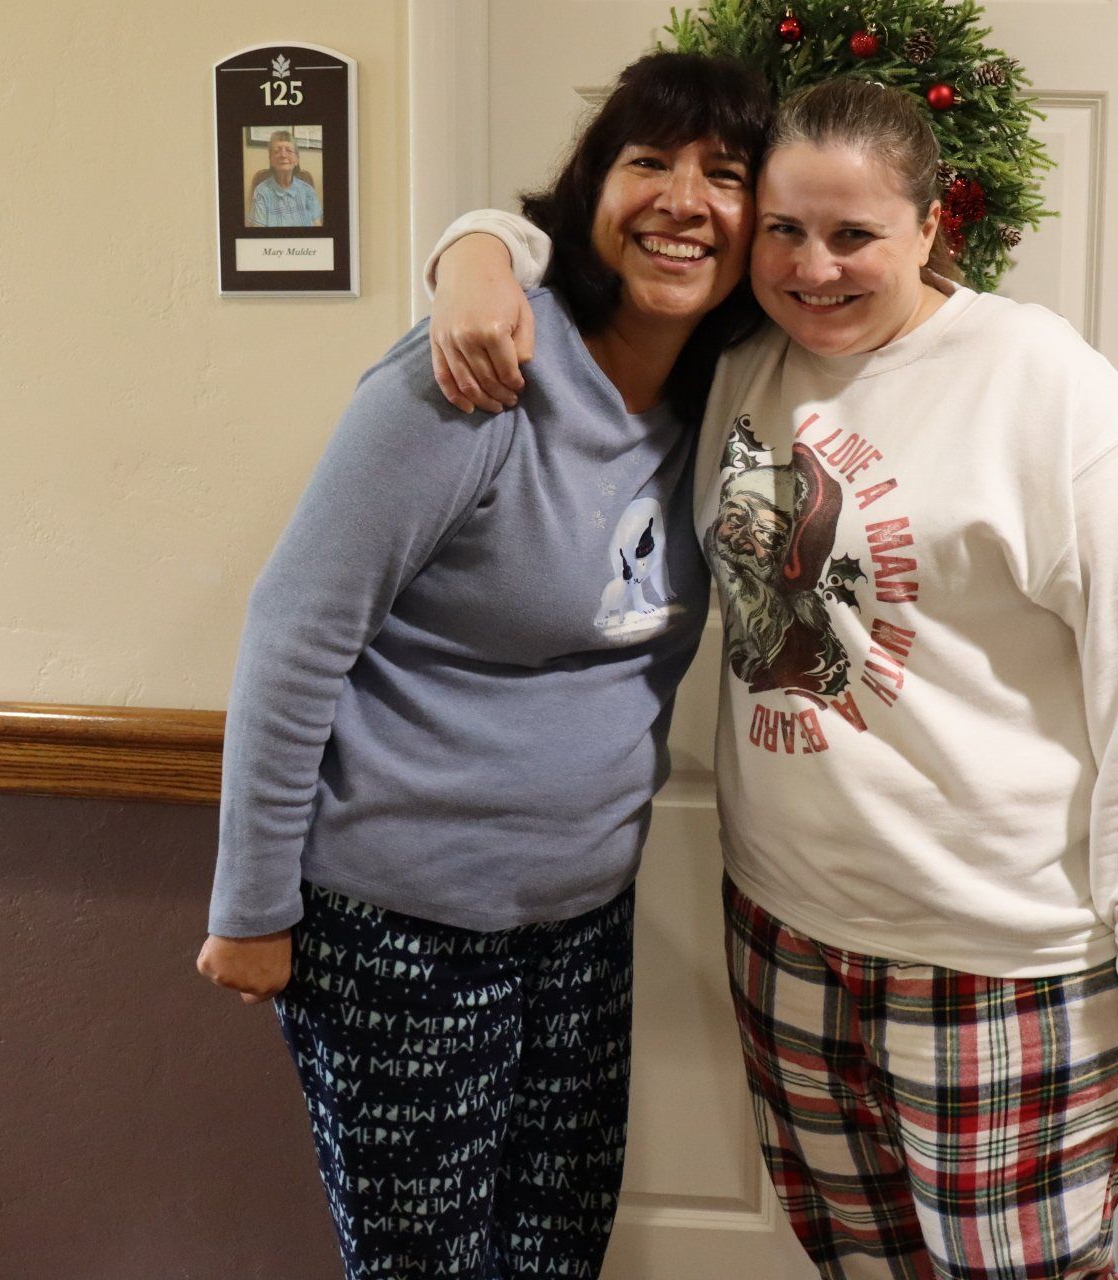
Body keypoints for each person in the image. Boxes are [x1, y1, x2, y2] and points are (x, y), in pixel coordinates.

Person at [426, 78, 1118, 1280]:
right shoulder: (742, 359)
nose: (814, 269)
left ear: (932, 229)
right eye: (785, 231)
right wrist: (473, 249)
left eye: (855, 235)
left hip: (1000, 965)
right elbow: (598, 263)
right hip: (786, 936)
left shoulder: (1046, 388)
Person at [196, 52, 770, 1280]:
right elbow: (294, 632)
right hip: (399, 925)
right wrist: (250, 909)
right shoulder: (474, 374)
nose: (685, 199)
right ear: (591, 188)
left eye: (725, 176)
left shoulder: (719, 402)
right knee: (426, 1265)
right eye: (649, 161)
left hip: (579, 926)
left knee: (557, 1248)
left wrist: (475, 239)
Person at [249, 130, 324, 227]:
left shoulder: (308, 191)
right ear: (270, 160)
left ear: (297, 160)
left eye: (288, 151)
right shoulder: (261, 192)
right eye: (276, 151)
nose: (283, 155)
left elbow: (317, 227)